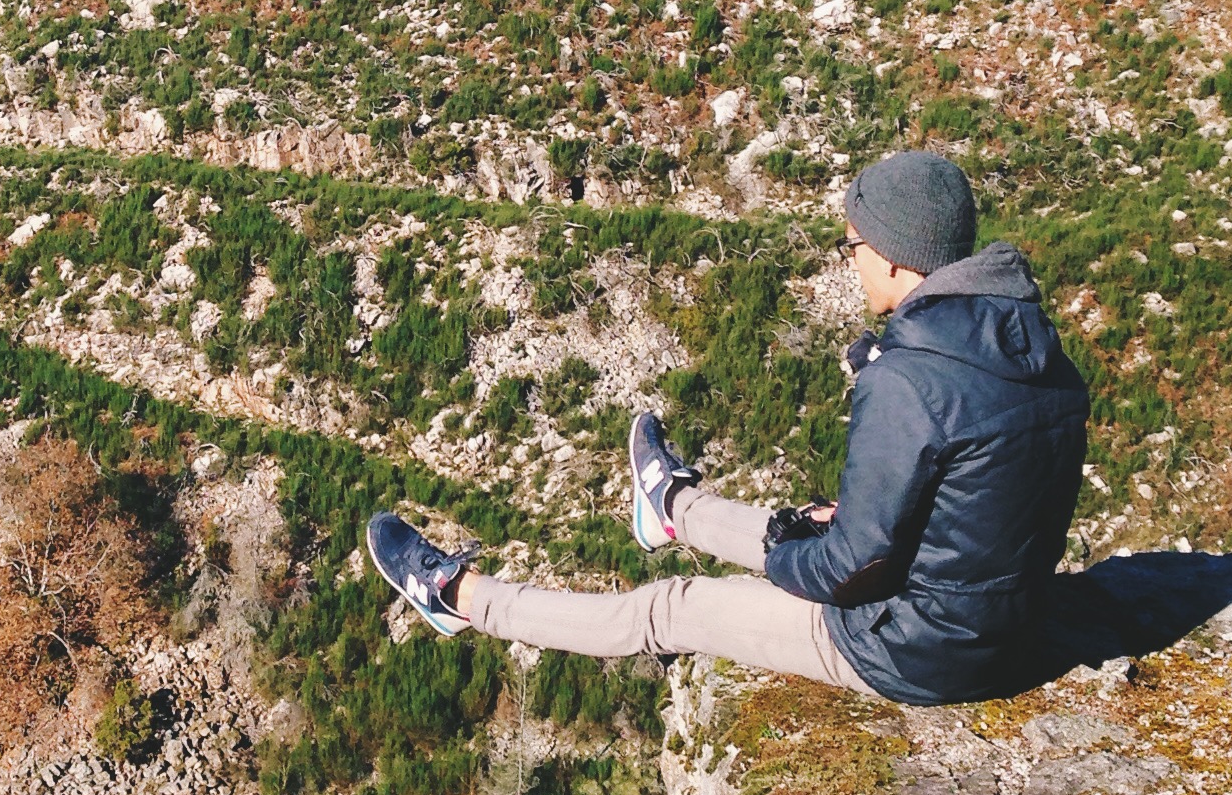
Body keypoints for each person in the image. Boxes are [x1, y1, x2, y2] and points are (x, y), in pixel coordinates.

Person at [368, 149, 1089, 706]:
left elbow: (845, 571)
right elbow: (978, 505)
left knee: (667, 608)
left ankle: (458, 599)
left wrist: (784, 553)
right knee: (810, 529)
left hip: (915, 650)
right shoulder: (1035, 346)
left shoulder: (906, 382)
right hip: (1001, 629)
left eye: (853, 246)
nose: (852, 263)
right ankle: (674, 509)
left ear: (895, 253)